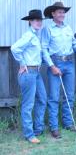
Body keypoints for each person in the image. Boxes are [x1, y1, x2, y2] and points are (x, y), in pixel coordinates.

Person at [41, 2, 76, 139]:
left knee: (69, 96)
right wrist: (52, 66)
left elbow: (74, 45)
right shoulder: (48, 29)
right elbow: (44, 49)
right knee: (54, 97)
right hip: (55, 63)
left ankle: (68, 123)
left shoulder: (68, 28)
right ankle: (54, 127)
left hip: (69, 63)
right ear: (53, 14)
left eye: (63, 12)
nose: (62, 14)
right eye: (59, 12)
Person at [11, 10, 47, 144]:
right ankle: (29, 134)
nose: (39, 22)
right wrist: (22, 63)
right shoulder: (28, 35)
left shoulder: (36, 36)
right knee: (28, 104)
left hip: (36, 73)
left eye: (40, 20)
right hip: (28, 74)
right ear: (30, 22)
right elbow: (14, 48)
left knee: (42, 99)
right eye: (36, 20)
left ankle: (38, 128)